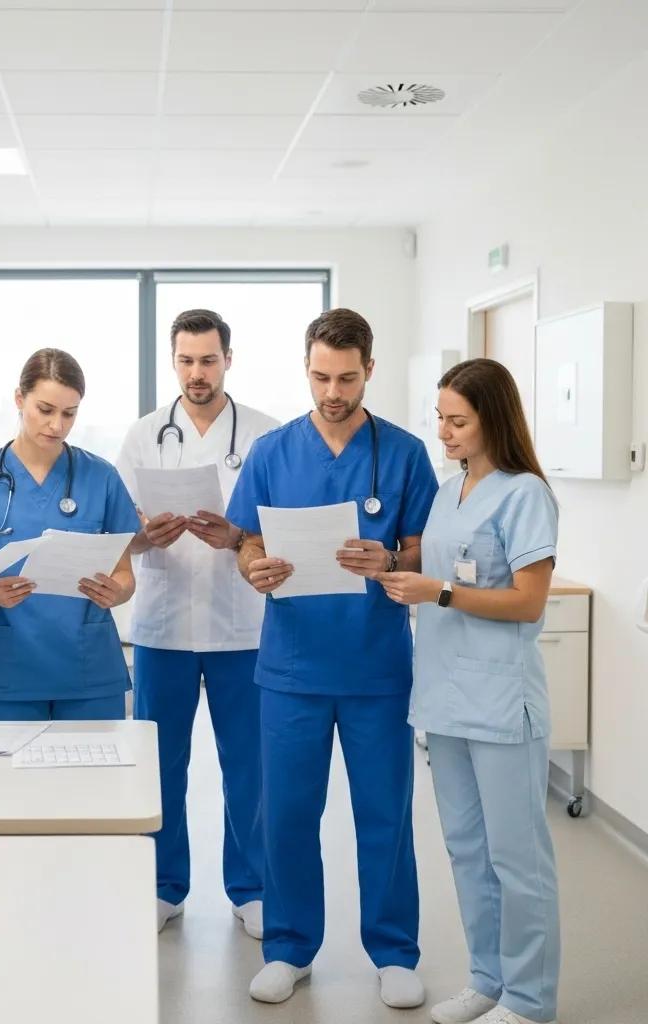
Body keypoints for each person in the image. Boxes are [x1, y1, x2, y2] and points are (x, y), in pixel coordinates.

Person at [225, 308, 439, 1009]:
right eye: (320, 376)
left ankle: (394, 951)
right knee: (286, 813)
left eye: (346, 377)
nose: (331, 390)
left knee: (385, 814)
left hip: (377, 666)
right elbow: (243, 539)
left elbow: (422, 551)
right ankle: (289, 947)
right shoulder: (272, 452)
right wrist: (253, 566)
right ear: (306, 369)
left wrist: (391, 558)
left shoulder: (404, 453)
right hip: (292, 668)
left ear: (369, 370)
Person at [379, 359, 561, 1024]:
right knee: (465, 848)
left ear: (493, 419)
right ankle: (487, 980)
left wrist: (440, 591)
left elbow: (528, 602)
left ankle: (531, 998)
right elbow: (431, 568)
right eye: (441, 418)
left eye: (458, 420)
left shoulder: (525, 494)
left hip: (500, 699)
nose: (444, 432)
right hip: (445, 694)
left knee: (518, 857)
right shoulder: (450, 490)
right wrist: (393, 566)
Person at [116, 308, 280, 936]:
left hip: (243, 627)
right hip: (162, 626)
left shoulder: (265, 435)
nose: (196, 373)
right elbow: (117, 534)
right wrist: (141, 536)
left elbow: (279, 530)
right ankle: (164, 886)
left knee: (249, 765)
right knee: (162, 766)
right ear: (173, 360)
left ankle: (252, 888)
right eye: (185, 360)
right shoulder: (142, 435)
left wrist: (238, 537)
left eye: (208, 360)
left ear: (228, 360)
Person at [0, 348, 139, 721]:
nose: (57, 425)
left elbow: (125, 576)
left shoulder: (101, 478)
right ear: (19, 399)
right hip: (7, 671)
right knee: (8, 779)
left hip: (88, 671)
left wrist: (117, 591)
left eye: (70, 413)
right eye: (46, 410)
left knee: (92, 777)